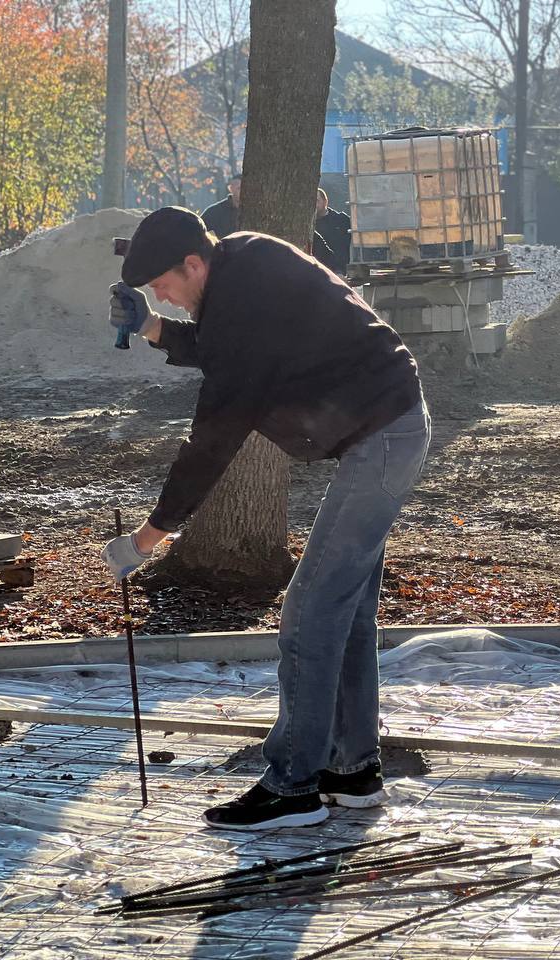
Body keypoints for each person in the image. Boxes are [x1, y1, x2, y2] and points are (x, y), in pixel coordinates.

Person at [102, 207, 430, 830]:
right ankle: (352, 771)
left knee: (308, 613)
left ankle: (293, 786)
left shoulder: (246, 285)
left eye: (164, 287)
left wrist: (149, 536)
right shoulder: (243, 266)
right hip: (387, 427)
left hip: (383, 436)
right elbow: (229, 348)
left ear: (193, 264)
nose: (162, 296)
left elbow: (213, 436)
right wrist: (153, 328)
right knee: (347, 613)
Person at [313, 187, 351, 275]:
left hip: (339, 271)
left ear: (325, 202)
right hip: (316, 270)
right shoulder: (307, 225)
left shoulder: (341, 220)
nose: (314, 204)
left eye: (317, 201)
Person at [201, 172, 241, 239]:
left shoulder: (256, 211)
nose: (243, 191)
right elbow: (198, 231)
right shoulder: (215, 212)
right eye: (239, 188)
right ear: (230, 188)